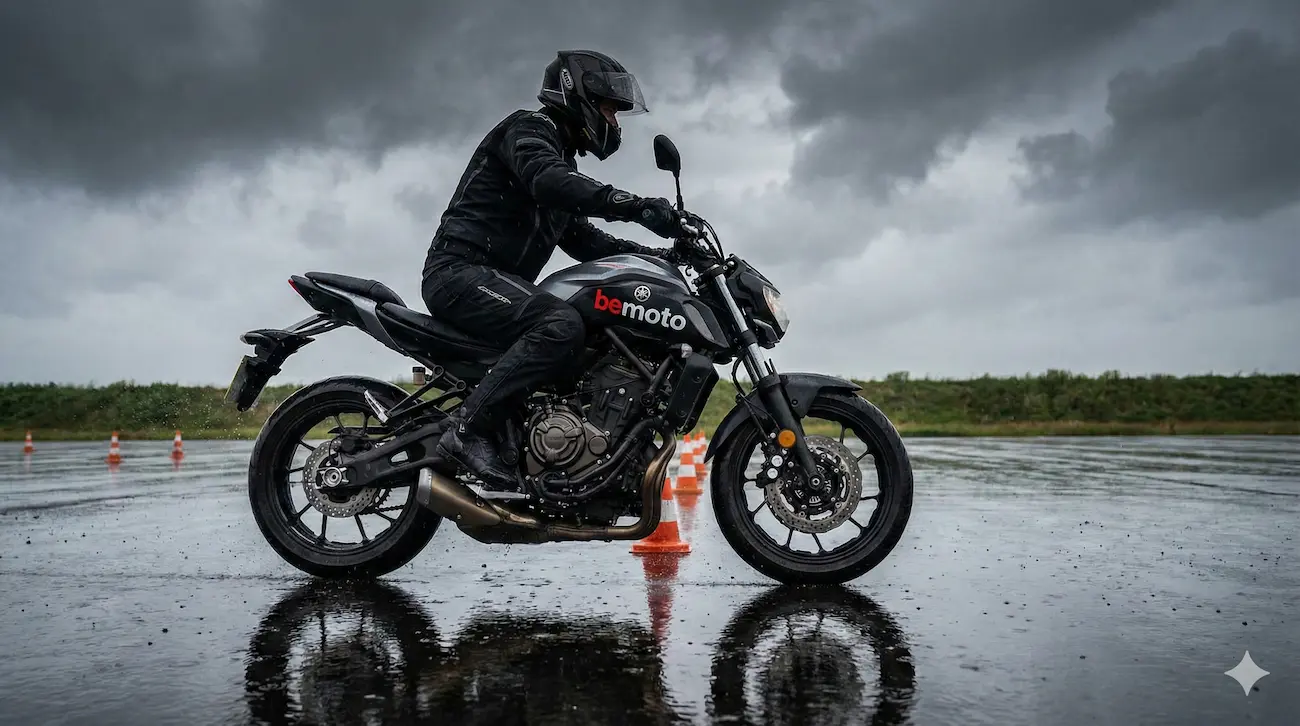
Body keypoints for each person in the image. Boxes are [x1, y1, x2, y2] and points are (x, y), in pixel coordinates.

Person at [421, 49, 685, 492]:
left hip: (498, 285)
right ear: (577, 95)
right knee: (560, 322)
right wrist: (634, 206)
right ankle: (465, 431)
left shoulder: (561, 160)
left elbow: (585, 241)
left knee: (583, 329)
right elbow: (547, 179)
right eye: (608, 111)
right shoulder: (528, 131)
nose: (615, 124)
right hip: (460, 273)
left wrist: (658, 258)